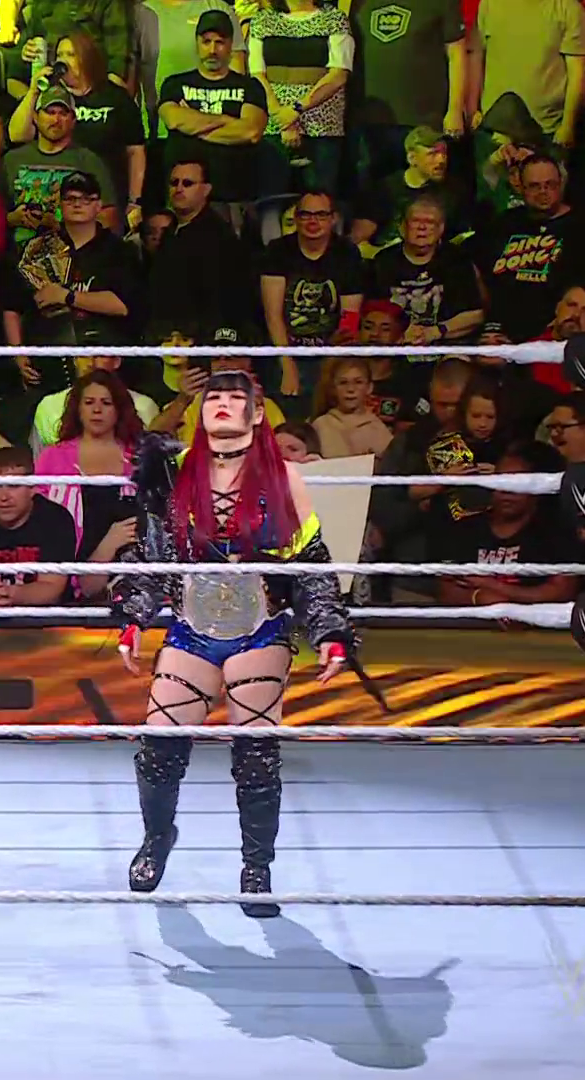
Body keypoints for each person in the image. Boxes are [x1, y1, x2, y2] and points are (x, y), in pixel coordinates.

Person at [110, 369, 356, 920]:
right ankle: (157, 837)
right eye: (212, 397)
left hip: (260, 626)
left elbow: (313, 565)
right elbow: (151, 557)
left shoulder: (285, 478)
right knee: (158, 745)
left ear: (256, 412)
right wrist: (132, 618)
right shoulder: (172, 474)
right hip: (192, 626)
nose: (221, 404)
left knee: (256, 754)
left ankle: (256, 866)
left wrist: (330, 633)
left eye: (233, 397)